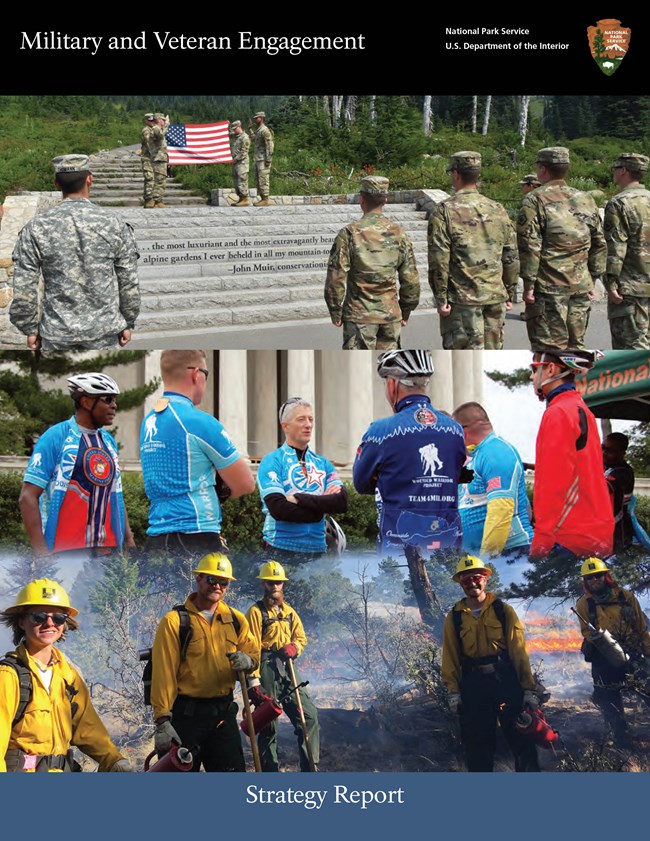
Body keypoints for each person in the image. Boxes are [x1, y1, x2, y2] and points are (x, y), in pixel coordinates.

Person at [10, 154, 140, 351]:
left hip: (56, 334)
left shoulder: (36, 227)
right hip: (103, 332)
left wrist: (29, 328)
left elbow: (24, 287)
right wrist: (128, 322)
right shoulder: (114, 225)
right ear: (90, 180)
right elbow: (129, 282)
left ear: (56, 184)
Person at [0, 578, 132, 772]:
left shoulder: (68, 675)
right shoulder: (8, 676)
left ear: (65, 623)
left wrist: (114, 760)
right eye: (39, 617)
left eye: (58, 618)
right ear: (21, 621)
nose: (49, 623)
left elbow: (88, 728)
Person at [140, 350, 255, 559]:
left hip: (156, 536)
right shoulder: (199, 422)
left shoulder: (149, 420)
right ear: (196, 375)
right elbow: (245, 484)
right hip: (196, 535)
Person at [150, 553, 258, 772]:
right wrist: (162, 721)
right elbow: (164, 674)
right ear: (198, 578)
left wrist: (249, 661)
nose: (217, 585)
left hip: (224, 716)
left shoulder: (236, 620)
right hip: (186, 719)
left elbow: (253, 654)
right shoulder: (175, 622)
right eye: (211, 579)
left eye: (223, 581)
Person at [353, 350, 466, 556]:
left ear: (392, 384)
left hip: (398, 548)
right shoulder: (455, 430)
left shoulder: (381, 430)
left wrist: (388, 477)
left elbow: (361, 483)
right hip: (448, 542)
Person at [442, 555, 540, 772]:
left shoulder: (503, 610)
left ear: (485, 579)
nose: (472, 584)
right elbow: (450, 655)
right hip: (474, 685)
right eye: (466, 580)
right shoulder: (455, 616)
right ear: (460, 583)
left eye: (476, 578)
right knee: (477, 745)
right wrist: (453, 691)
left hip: (505, 681)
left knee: (521, 739)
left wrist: (528, 689)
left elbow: (519, 651)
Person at [19, 373, 134, 558]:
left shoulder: (108, 442)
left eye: (115, 400)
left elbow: (115, 494)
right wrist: (41, 554)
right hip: (66, 552)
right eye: (108, 399)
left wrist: (129, 542)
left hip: (108, 552)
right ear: (86, 402)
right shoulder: (56, 436)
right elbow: (27, 497)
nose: (114, 405)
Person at [517, 146, 607, 351]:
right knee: (576, 348)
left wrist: (528, 284)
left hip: (549, 288)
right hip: (581, 285)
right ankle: (575, 383)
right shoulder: (585, 198)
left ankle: (557, 382)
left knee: (550, 349)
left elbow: (530, 245)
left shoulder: (534, 199)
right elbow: (599, 242)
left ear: (543, 169)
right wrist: (592, 278)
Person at [428, 151, 519, 349]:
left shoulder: (445, 211)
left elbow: (439, 260)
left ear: (456, 174)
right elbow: (511, 255)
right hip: (494, 296)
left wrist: (441, 297)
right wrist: (509, 292)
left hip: (462, 301)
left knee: (464, 363)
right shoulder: (498, 209)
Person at [529, 350, 614, 561]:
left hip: (568, 538)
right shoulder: (580, 408)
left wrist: (541, 541)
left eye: (534, 369)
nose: (531, 377)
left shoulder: (559, 412)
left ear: (551, 369)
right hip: (595, 534)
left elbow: (552, 482)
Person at [324, 175, 420, 350]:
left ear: (361, 199)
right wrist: (406, 310)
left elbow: (335, 278)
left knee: (358, 371)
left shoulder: (349, 234)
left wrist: (335, 310)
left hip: (359, 317)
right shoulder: (399, 234)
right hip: (390, 316)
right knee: (388, 368)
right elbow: (411, 280)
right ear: (385, 200)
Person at [246, 561, 319, 772]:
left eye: (278, 582)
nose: (274, 586)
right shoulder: (255, 612)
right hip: (265, 667)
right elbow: (250, 648)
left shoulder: (289, 612)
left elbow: (301, 638)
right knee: (268, 725)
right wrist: (254, 682)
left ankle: (310, 768)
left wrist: (295, 647)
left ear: (282, 584)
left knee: (309, 717)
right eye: (270, 583)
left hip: (287, 667)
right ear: (264, 584)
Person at [257, 397, 347, 562]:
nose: (308, 424)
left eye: (311, 419)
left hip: (318, 550)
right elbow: (279, 509)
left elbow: (341, 502)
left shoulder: (323, 463)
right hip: (280, 549)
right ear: (285, 426)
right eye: (301, 419)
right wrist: (321, 506)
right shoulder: (272, 461)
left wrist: (298, 499)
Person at [575, 557, 650, 748]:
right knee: (608, 699)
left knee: (647, 689)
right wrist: (607, 643)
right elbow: (587, 632)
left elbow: (641, 628)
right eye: (590, 578)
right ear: (585, 581)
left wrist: (647, 652)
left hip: (632, 652)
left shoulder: (625, 596)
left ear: (606, 576)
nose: (595, 580)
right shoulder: (584, 604)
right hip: (603, 657)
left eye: (598, 575)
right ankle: (622, 740)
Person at [452, 401, 533, 558]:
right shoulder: (478, 455)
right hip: (485, 559)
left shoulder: (496, 452)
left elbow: (501, 511)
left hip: (511, 554)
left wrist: (486, 561)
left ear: (462, 432)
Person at [603, 152, 650, 349]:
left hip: (630, 286)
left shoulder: (619, 203)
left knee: (631, 349)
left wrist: (611, 283)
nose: (613, 172)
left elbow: (616, 247)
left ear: (623, 171)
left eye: (615, 168)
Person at [603, 432, 635, 552]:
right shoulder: (607, 467)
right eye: (603, 448)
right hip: (607, 529)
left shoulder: (624, 472)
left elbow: (605, 488)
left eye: (610, 450)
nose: (604, 453)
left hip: (618, 533)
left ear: (622, 453)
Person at [141, 112, 170, 208]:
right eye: (150, 121)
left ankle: (155, 200)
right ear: (146, 121)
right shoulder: (147, 130)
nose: (152, 122)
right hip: (149, 158)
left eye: (153, 120)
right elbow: (152, 141)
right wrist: (165, 125)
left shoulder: (155, 129)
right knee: (150, 179)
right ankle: (150, 200)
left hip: (155, 157)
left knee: (157, 179)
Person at [248, 111, 274, 206]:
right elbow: (254, 139)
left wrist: (268, 159)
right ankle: (263, 198)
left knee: (263, 179)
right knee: (258, 179)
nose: (255, 119)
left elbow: (270, 145)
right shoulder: (259, 130)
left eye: (257, 118)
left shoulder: (265, 130)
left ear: (262, 118)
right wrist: (250, 129)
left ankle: (266, 199)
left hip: (263, 159)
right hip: (258, 158)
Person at [229, 120, 250, 206]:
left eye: (235, 128)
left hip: (242, 163)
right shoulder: (235, 136)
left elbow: (244, 152)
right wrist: (228, 126)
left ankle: (245, 199)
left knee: (242, 180)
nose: (233, 130)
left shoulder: (245, 137)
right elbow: (229, 134)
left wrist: (236, 159)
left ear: (239, 127)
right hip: (236, 163)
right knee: (236, 181)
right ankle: (241, 198)